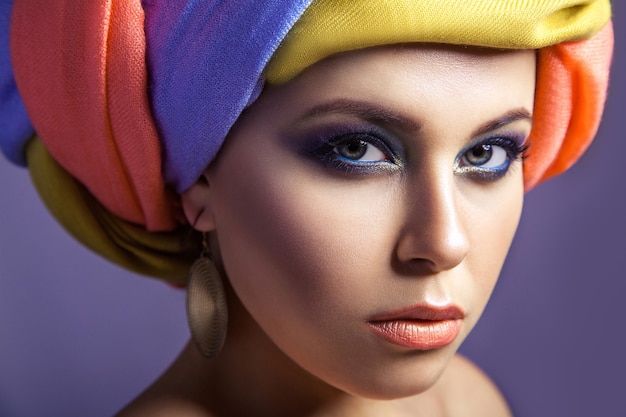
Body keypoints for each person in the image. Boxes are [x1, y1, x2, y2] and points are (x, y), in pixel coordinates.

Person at [0, 1, 613, 416]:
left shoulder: (465, 403)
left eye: (488, 153)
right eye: (356, 149)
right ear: (195, 179)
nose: (445, 242)